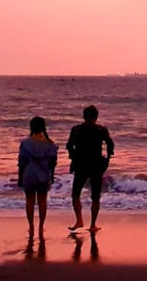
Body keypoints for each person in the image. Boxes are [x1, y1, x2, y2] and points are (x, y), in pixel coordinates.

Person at [67, 104, 114, 232]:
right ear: (96, 117)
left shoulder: (76, 129)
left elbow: (69, 146)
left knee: (76, 194)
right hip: (95, 164)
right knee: (95, 196)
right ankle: (92, 224)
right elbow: (110, 145)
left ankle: (79, 220)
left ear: (84, 116)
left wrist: (73, 157)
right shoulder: (101, 130)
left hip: (81, 164)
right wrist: (107, 159)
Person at [18, 116, 58, 242]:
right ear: (43, 128)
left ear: (31, 127)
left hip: (29, 174)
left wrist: (20, 177)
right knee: (42, 201)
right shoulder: (50, 144)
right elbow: (53, 163)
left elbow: (22, 162)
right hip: (43, 174)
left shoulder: (26, 144)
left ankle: (31, 226)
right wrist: (52, 176)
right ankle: (41, 226)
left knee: (29, 201)